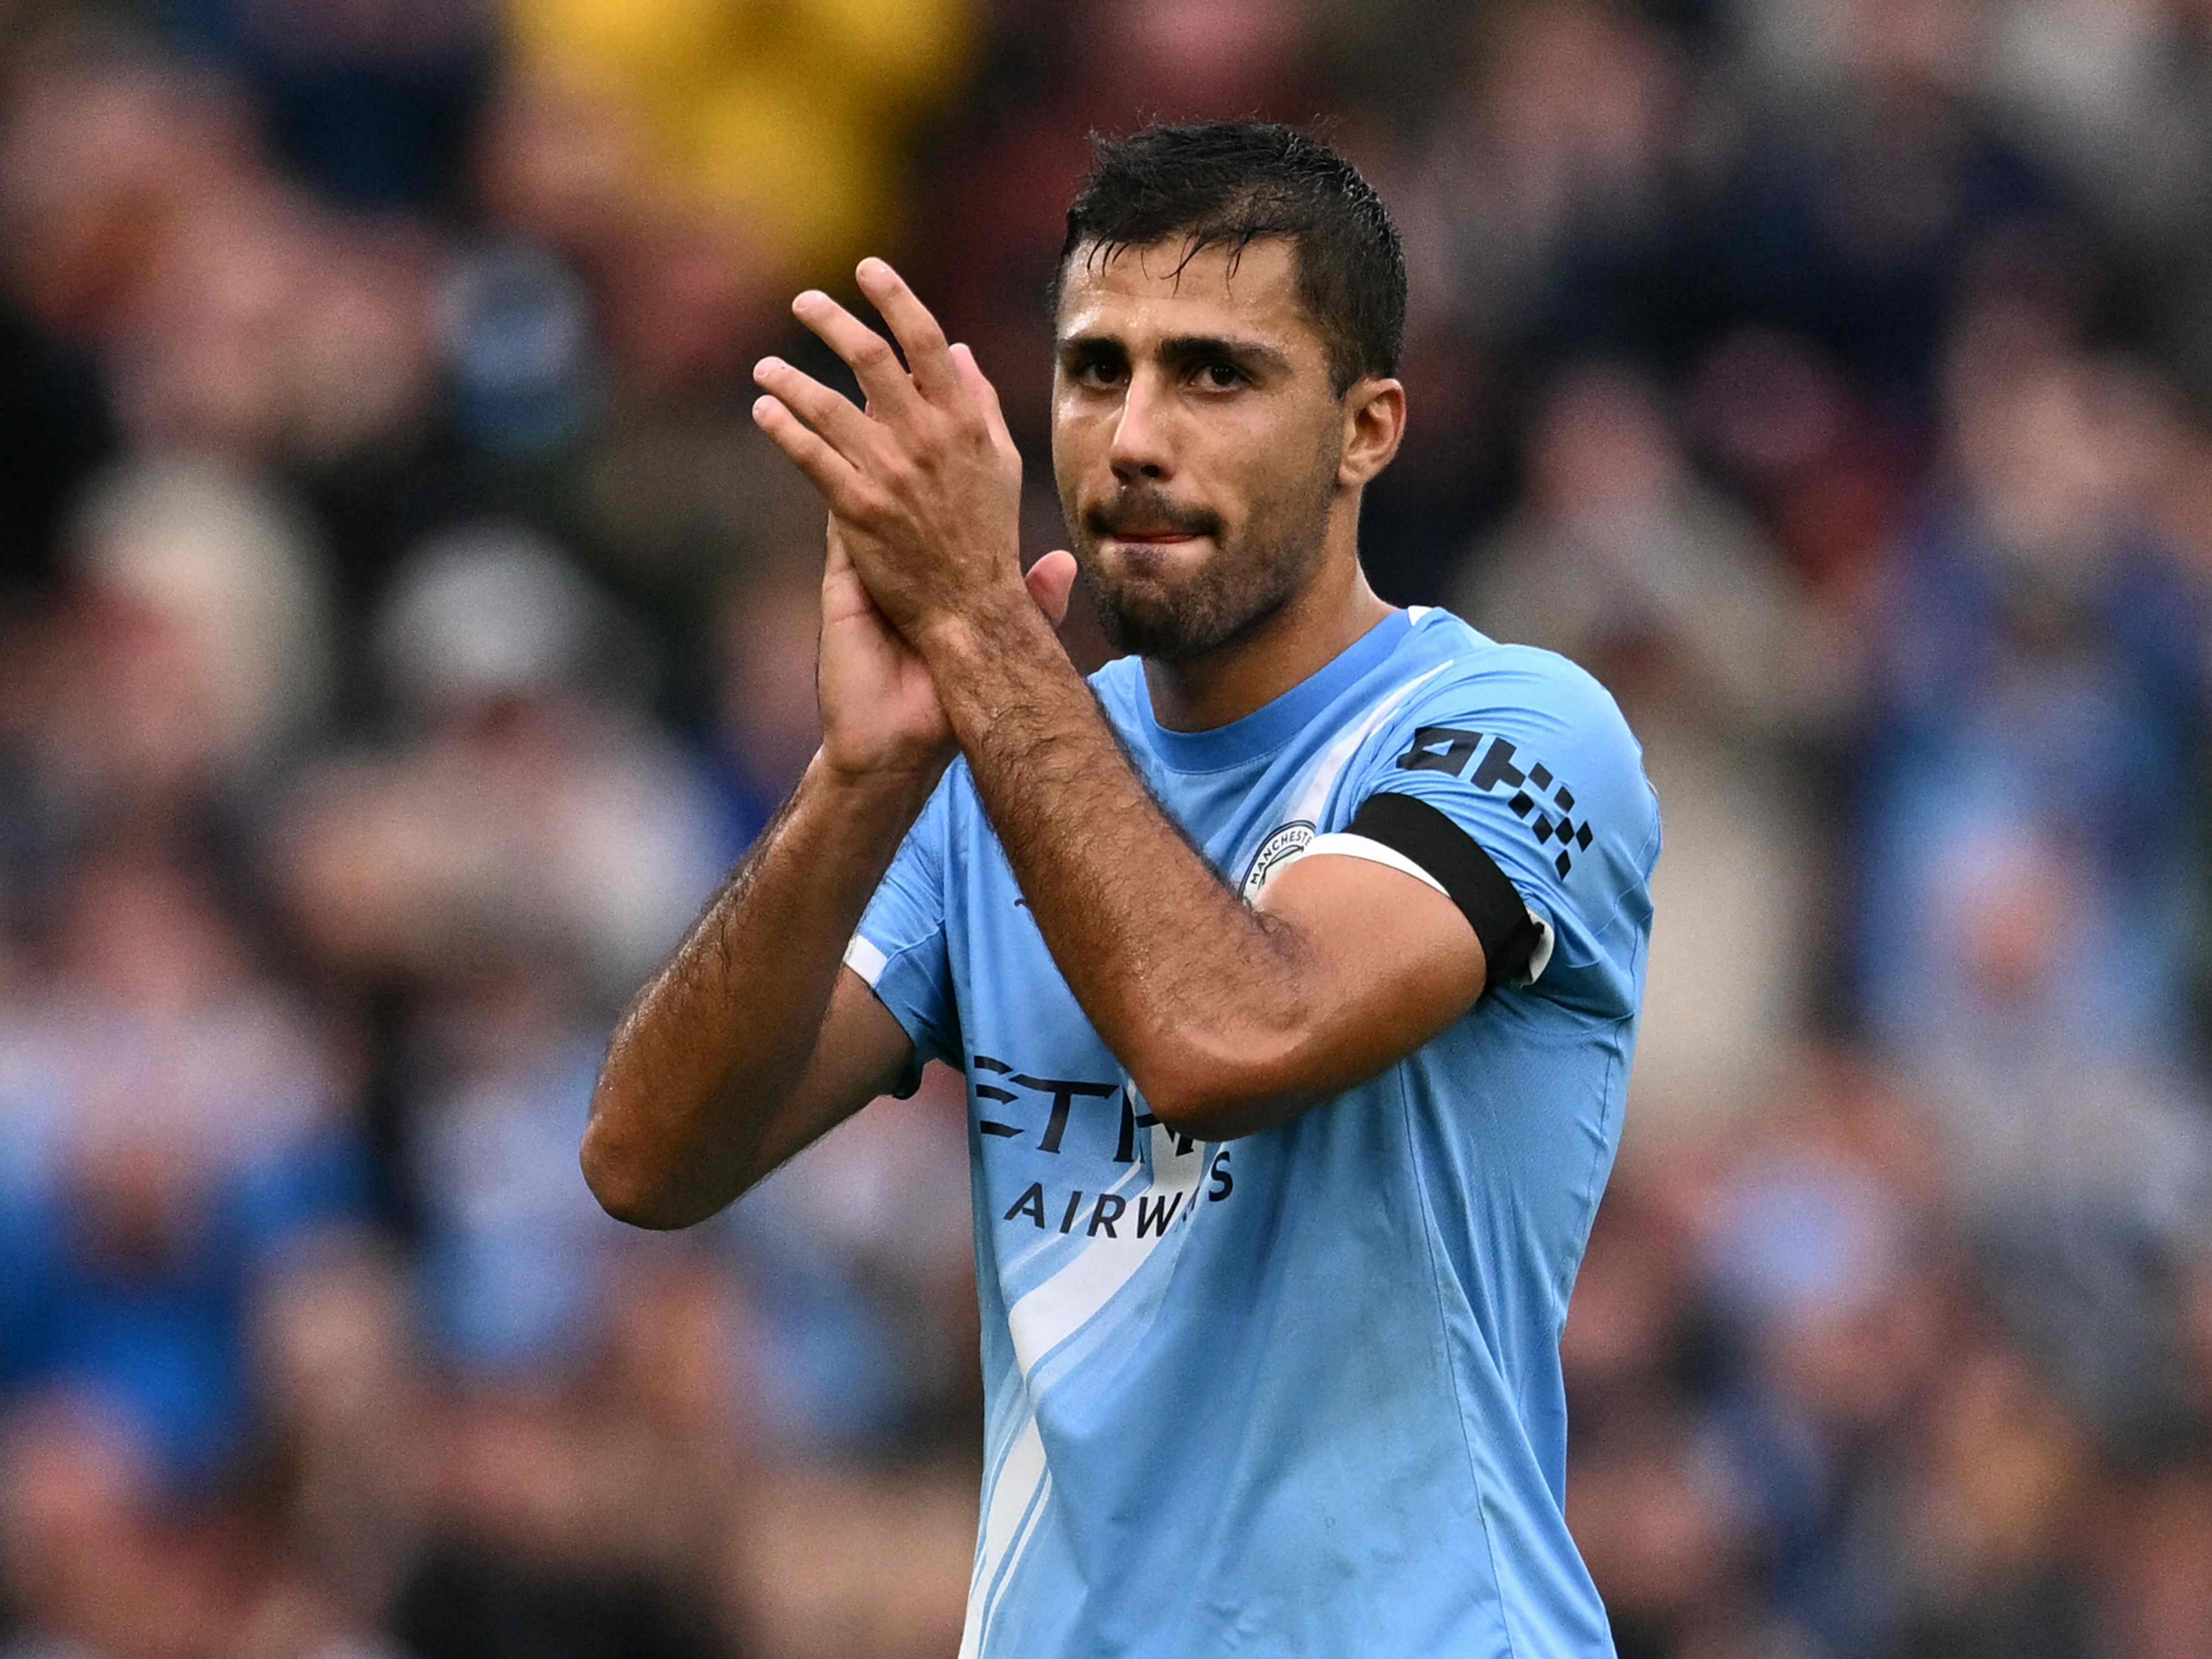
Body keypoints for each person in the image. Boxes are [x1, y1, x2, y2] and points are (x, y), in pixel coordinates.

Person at [582, 121, 1661, 1658]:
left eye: (1216, 375)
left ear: (1369, 428)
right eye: (1097, 371)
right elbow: (646, 1159)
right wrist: (861, 779)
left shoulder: (1512, 730)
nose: (1136, 436)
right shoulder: (1004, 767)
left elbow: (1230, 1038)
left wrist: (976, 627)